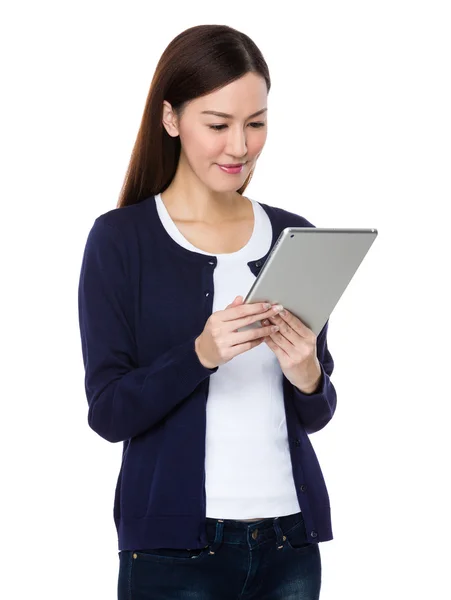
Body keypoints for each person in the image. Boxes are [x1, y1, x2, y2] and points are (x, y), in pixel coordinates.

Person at [78, 23, 337, 600]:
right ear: (171, 119)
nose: (240, 146)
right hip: (174, 552)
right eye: (218, 125)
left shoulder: (294, 235)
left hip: (290, 544)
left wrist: (306, 374)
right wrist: (200, 355)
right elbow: (108, 413)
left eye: (256, 123)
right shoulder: (122, 241)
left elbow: (318, 412)